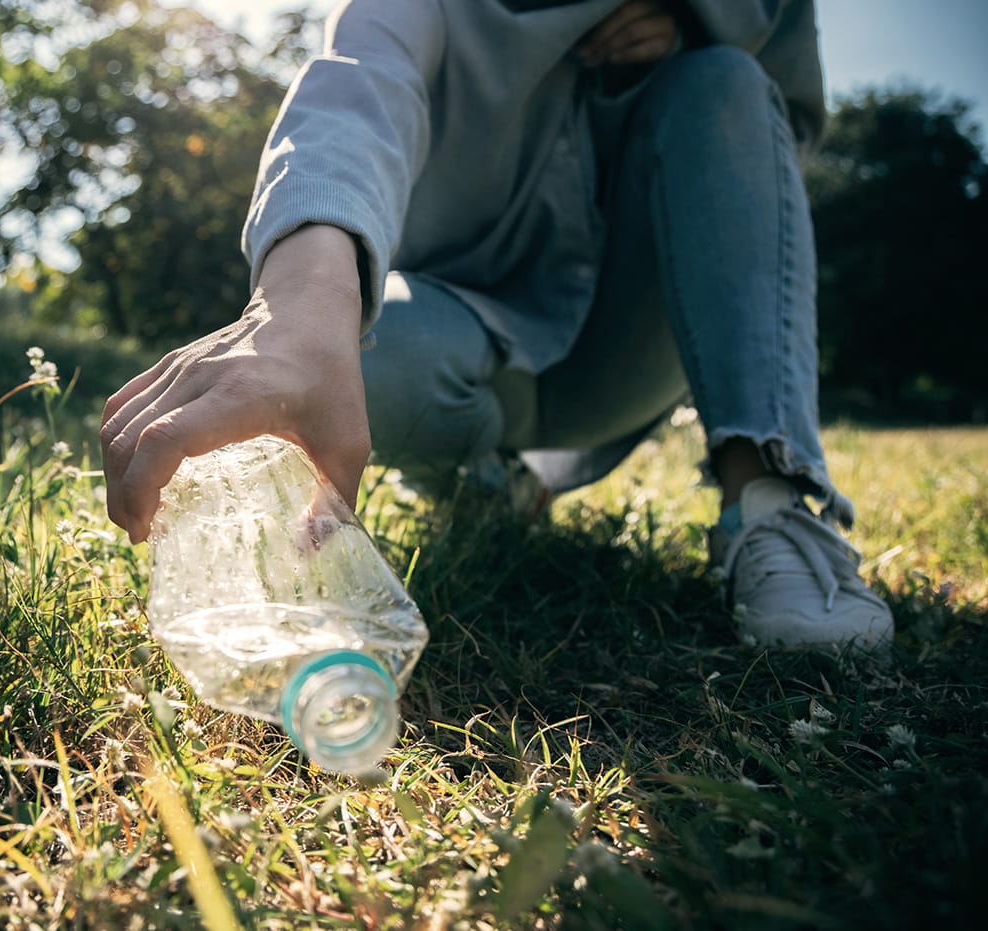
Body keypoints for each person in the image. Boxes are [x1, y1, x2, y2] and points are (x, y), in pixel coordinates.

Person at [100, 0, 894, 651]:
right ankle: (490, 479)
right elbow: (353, 89)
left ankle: (770, 502)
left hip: (640, 336)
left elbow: (778, 129)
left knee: (724, 80)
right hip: (465, 327)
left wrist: (695, 37)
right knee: (360, 358)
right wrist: (297, 311)